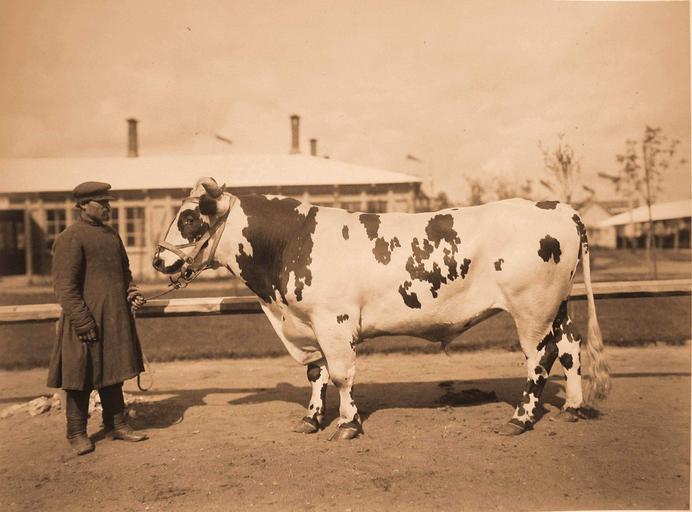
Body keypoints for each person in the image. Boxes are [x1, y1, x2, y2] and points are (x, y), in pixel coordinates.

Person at [47, 181, 149, 456]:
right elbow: (65, 287)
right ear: (82, 205)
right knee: (79, 378)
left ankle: (117, 424)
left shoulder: (112, 235)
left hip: (113, 317)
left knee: (113, 372)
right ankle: (76, 432)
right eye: (101, 203)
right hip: (85, 322)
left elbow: (125, 273)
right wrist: (83, 322)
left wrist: (131, 291)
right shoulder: (70, 238)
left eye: (108, 202)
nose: (107, 207)